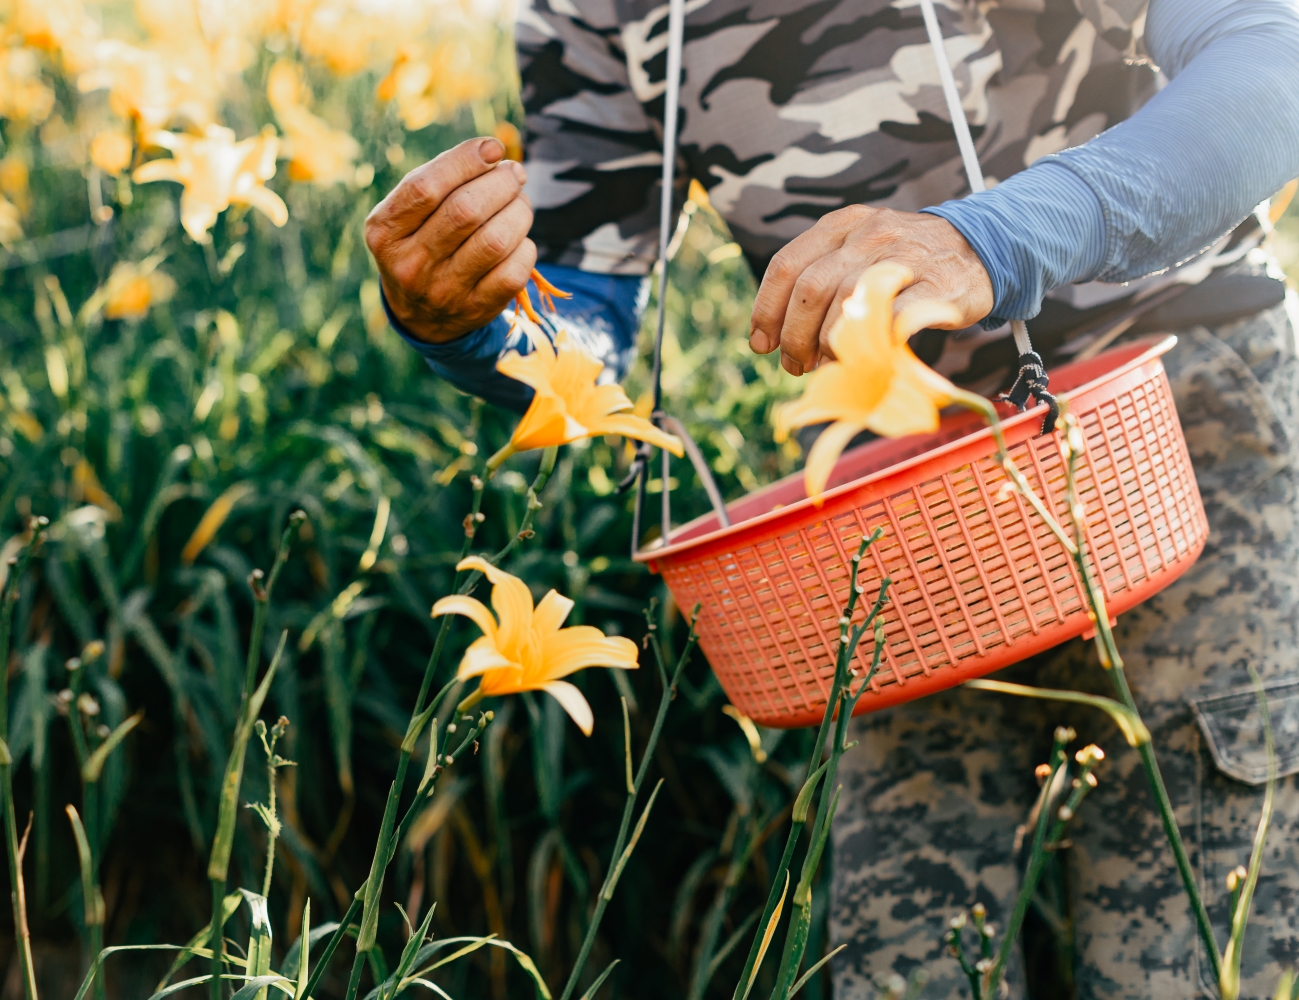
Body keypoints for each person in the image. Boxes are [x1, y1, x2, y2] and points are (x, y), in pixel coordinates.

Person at [364, 0, 1299, 995]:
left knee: (1204, 962)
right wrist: (465, 324)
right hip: (885, 500)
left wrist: (992, 240)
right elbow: (586, 315)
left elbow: (1272, 64)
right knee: (905, 965)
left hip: (1175, 419)